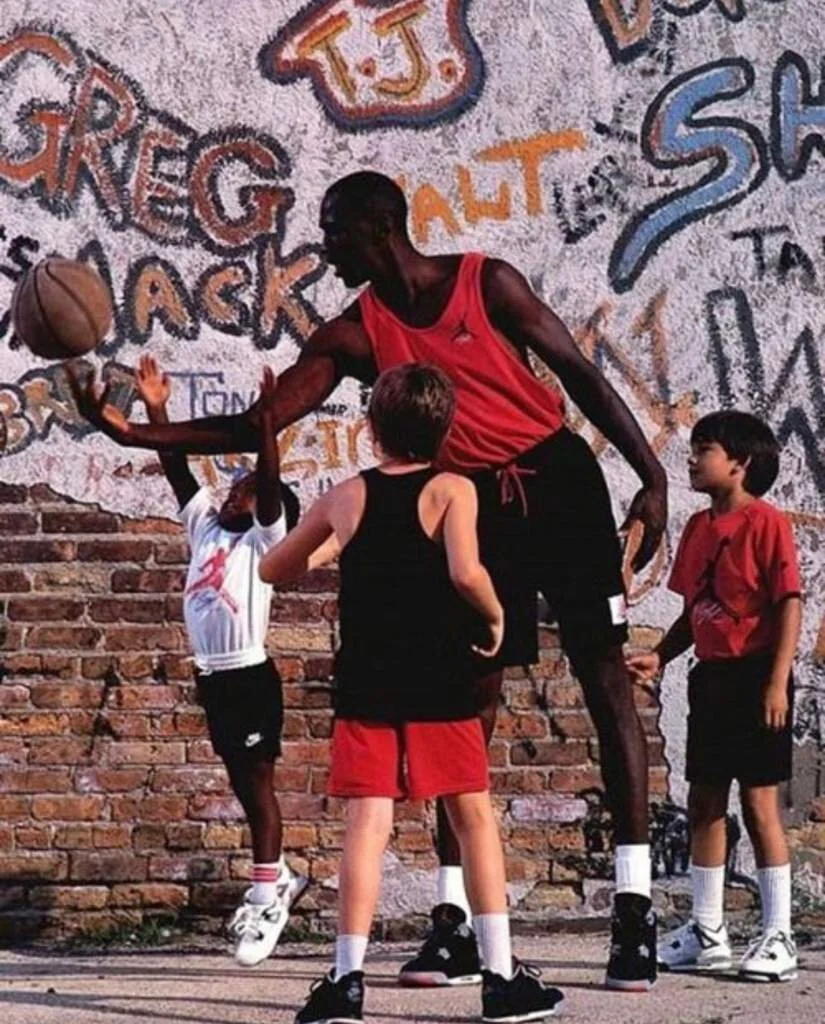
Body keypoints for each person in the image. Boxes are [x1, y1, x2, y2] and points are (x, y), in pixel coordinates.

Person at [70, 170, 668, 990]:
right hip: (469, 501)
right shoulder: (357, 333)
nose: (323, 247)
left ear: (377, 227)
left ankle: (633, 910)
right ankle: (457, 923)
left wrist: (651, 476)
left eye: (333, 231)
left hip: (557, 482)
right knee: (469, 700)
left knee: (603, 678)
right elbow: (262, 421)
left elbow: (577, 371)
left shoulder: (483, 281)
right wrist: (134, 432)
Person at [260, 364, 564, 1023]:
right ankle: (500, 976)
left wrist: (328, 546)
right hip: (439, 676)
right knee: (472, 818)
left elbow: (273, 566)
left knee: (365, 825)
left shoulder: (347, 495)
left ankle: (344, 983)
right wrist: (494, 617)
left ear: (370, 429)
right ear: (446, 428)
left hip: (368, 680)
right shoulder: (453, 487)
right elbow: (465, 570)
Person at [133, 355, 307, 966]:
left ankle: (267, 900)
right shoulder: (207, 527)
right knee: (240, 781)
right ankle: (278, 874)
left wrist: (267, 428)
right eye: (236, 486)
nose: (237, 491)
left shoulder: (264, 536)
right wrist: (156, 407)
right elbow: (178, 471)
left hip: (249, 674)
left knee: (257, 789)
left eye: (249, 489)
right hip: (213, 676)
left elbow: (269, 486)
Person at [627, 411, 801, 982]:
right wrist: (663, 655)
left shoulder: (767, 523)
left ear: (739, 463)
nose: (693, 458)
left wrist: (777, 681)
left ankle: (778, 933)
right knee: (705, 801)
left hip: (756, 677)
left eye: (705, 448)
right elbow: (692, 610)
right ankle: (708, 930)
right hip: (712, 678)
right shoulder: (699, 529)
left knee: (758, 804)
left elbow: (789, 605)